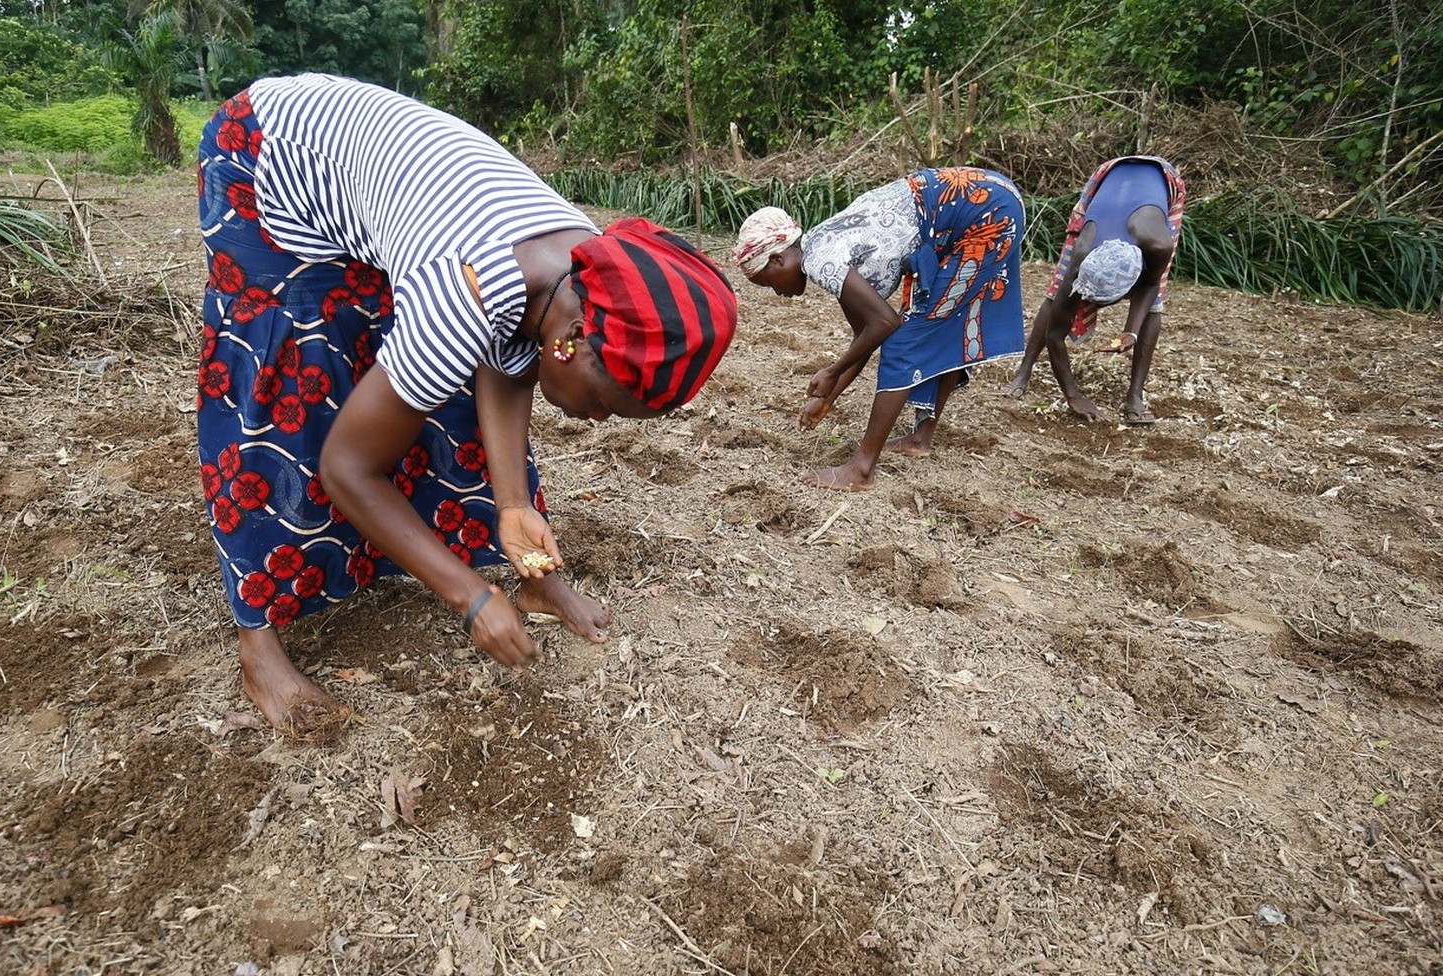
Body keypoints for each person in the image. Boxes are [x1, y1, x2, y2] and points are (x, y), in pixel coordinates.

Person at [196, 74, 737, 733]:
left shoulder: (583, 270)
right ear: (575, 343)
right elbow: (346, 468)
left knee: (424, 373)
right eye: (605, 405)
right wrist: (471, 597)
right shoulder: (465, 293)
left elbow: (509, 352)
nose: (596, 422)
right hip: (268, 157)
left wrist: (513, 508)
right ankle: (260, 647)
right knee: (293, 379)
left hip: (381, 184)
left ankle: (531, 577)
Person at [733, 168, 1025, 490]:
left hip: (986, 212)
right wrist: (830, 395)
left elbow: (886, 323)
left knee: (906, 342)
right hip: (979, 202)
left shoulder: (821, 261)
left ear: (776, 260)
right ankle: (920, 438)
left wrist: (832, 370)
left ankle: (861, 470)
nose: (777, 293)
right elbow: (866, 335)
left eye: (768, 283)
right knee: (938, 324)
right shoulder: (822, 244)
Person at [1006, 155, 1185, 425]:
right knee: (1056, 293)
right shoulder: (1082, 256)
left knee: (1155, 303)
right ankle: (1024, 369)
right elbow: (1055, 334)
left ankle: (1135, 396)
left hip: (1161, 179)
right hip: (1108, 176)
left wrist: (1131, 332)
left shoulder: (1158, 244)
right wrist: (1073, 396)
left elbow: (1149, 284)